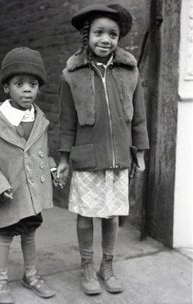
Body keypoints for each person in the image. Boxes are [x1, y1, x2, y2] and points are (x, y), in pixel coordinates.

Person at [57, 4, 149, 296]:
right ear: (87, 35)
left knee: (111, 216)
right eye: (99, 32)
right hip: (87, 157)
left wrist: (141, 152)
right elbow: (67, 121)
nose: (106, 39)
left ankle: (106, 266)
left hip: (119, 157)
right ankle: (86, 265)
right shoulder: (72, 75)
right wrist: (63, 157)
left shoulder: (129, 72)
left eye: (113, 34)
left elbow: (139, 116)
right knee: (86, 215)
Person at [0, 47, 58, 304]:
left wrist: (52, 168)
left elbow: (41, 153)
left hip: (31, 194)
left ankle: (30, 276)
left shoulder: (39, 119)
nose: (27, 89)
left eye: (33, 84)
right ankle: (0, 282)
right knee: (5, 237)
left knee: (30, 234)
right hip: (9, 193)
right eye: (19, 83)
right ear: (6, 87)